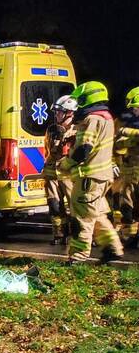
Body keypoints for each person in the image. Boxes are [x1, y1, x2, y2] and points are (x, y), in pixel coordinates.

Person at [58, 81, 124, 263]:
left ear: (86, 99)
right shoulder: (107, 118)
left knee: (81, 217)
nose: (77, 105)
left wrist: (66, 163)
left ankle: (78, 256)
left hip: (88, 178)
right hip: (102, 177)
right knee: (97, 214)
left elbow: (84, 149)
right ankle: (112, 248)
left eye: (79, 100)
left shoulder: (91, 120)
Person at [42, 95, 78, 244]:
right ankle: (59, 234)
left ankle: (78, 235)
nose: (56, 114)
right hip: (52, 174)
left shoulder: (78, 130)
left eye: (59, 112)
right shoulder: (52, 130)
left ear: (69, 113)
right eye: (56, 111)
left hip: (69, 175)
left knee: (74, 206)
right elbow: (47, 150)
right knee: (54, 205)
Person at [116, 86, 139, 247]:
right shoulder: (131, 123)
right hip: (131, 172)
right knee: (128, 205)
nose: (133, 111)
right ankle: (131, 236)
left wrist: (126, 132)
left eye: (134, 107)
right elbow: (118, 144)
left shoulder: (128, 127)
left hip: (133, 172)